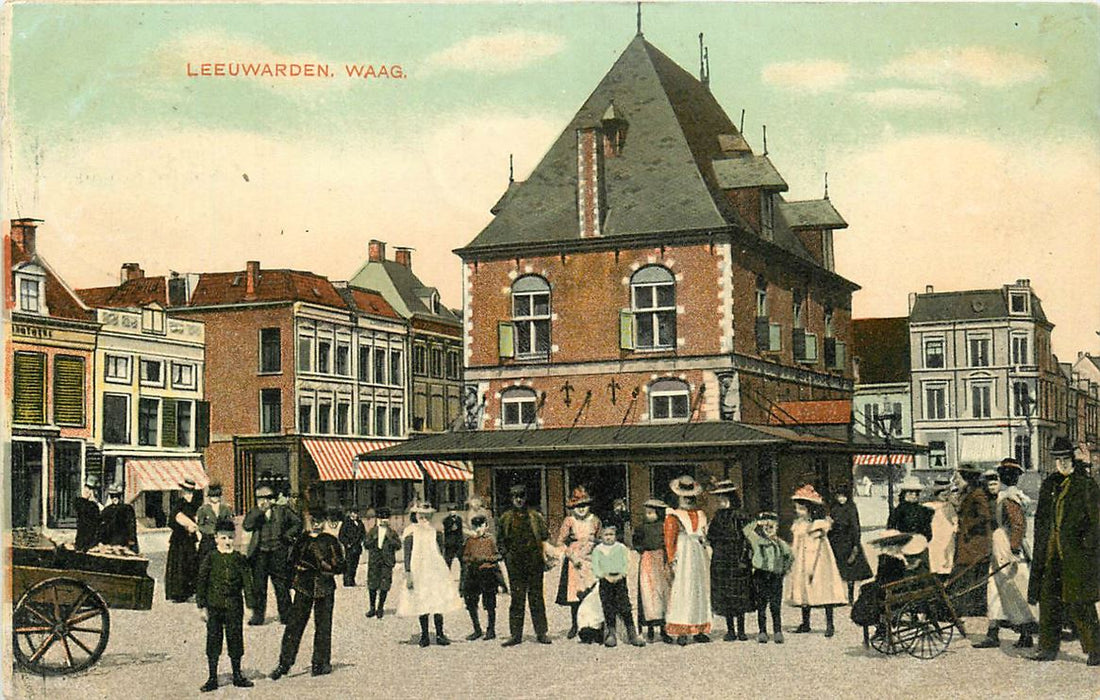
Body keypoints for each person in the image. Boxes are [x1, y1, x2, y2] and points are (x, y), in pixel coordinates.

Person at [1028, 437, 1100, 665]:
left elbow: (1097, 522)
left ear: (1072, 460)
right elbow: (1040, 519)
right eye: (1057, 459)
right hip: (1051, 554)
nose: (1061, 463)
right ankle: (1048, 649)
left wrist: (1086, 545)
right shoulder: (1049, 484)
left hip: (1076, 555)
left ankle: (1096, 649)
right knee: (1048, 601)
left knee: (1080, 603)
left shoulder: (1085, 485)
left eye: (1065, 459)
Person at [270, 508, 345, 680]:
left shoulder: (331, 540)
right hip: (303, 586)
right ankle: (284, 663)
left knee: (324, 626)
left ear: (324, 522)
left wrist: (328, 566)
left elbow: (341, 565)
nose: (316, 525)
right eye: (313, 521)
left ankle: (321, 663)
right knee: (294, 625)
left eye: (319, 521)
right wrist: (291, 581)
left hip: (324, 587)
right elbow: (291, 562)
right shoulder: (301, 540)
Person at [973, 458, 1037, 649]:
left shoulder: (1009, 498)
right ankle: (999, 632)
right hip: (1005, 544)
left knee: (1009, 589)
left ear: (1002, 478)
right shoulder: (1012, 496)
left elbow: (1018, 524)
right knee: (1002, 589)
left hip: (1006, 546)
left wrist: (1014, 549)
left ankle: (1012, 633)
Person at [196, 518, 256, 692]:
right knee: (213, 640)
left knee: (235, 638)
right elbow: (201, 581)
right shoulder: (211, 557)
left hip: (234, 606)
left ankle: (237, 674)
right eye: (223, 538)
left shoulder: (239, 558)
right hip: (214, 606)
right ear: (216, 538)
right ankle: (212, 677)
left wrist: (250, 605)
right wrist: (201, 606)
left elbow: (247, 582)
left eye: (230, 538)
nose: (227, 542)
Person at [397, 502, 463, 647]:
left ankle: (439, 634)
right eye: (421, 516)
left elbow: (442, 551)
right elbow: (407, 555)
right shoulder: (411, 533)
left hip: (435, 570)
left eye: (427, 516)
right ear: (416, 516)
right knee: (422, 601)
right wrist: (408, 572)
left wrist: (445, 570)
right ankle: (425, 635)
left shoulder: (436, 532)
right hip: (419, 570)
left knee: (437, 601)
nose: (424, 519)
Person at [787, 484, 846, 637]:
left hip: (819, 560)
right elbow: (795, 544)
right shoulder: (799, 525)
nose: (798, 511)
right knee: (804, 589)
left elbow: (818, 545)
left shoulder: (818, 525)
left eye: (801, 508)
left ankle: (829, 624)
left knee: (824, 589)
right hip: (802, 559)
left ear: (810, 509)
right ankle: (806, 623)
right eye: (797, 508)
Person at [496, 484, 552, 646]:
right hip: (515, 563)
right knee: (517, 599)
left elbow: (544, 536)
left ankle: (541, 633)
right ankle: (516, 635)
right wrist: (506, 556)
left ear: (526, 497)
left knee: (536, 597)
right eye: (515, 497)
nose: (519, 500)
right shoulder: (505, 518)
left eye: (521, 496)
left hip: (534, 561)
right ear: (511, 499)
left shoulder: (535, 516)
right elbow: (500, 540)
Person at [852, 530, 929, 646]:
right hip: (894, 590)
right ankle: (881, 626)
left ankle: (880, 626)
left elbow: (883, 577)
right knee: (871, 594)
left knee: (869, 594)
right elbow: (898, 576)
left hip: (890, 589)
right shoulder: (898, 558)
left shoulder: (886, 558)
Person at [243, 484, 302, 625]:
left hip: (278, 552)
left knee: (281, 586)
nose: (264, 501)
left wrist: (287, 535)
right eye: (260, 498)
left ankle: (286, 615)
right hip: (260, 554)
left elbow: (298, 523)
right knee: (259, 587)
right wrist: (258, 511)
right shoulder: (254, 512)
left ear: (273, 499)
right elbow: (247, 525)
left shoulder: (282, 511)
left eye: (267, 498)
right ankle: (258, 617)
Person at [664, 475, 712, 646]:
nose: (688, 500)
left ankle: (699, 628)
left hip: (699, 554)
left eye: (691, 497)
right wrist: (671, 559)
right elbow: (669, 540)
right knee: (683, 590)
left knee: (700, 589)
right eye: (685, 497)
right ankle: (682, 630)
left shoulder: (701, 514)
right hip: (683, 554)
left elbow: (705, 534)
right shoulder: (673, 515)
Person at [707, 480, 753, 642]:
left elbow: (749, 537)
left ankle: (741, 630)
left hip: (738, 556)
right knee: (725, 594)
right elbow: (711, 536)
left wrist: (746, 554)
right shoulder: (718, 516)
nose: (721, 500)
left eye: (724, 497)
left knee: (739, 593)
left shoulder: (741, 515)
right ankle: (730, 630)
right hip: (721, 558)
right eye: (719, 498)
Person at [556, 486, 601, 639]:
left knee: (591, 592)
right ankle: (575, 624)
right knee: (575, 594)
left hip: (590, 559)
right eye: (577, 506)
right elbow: (560, 542)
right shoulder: (569, 521)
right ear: (572, 508)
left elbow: (601, 540)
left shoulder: (595, 520)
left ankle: (593, 624)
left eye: (584, 505)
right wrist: (571, 556)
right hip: (574, 561)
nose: (581, 509)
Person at [591, 524, 645, 647]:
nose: (609, 538)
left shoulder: (621, 548)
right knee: (608, 606)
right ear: (600, 536)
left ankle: (632, 634)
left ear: (616, 536)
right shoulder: (598, 550)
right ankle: (611, 634)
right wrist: (605, 576)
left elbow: (626, 563)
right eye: (606, 535)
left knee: (625, 606)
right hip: (605, 580)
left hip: (620, 580)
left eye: (611, 535)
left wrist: (621, 574)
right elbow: (595, 566)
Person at [951, 464, 993, 619]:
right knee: (968, 574)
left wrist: (968, 527)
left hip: (975, 543)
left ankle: (970, 608)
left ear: (967, 478)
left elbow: (984, 517)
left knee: (969, 574)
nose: (956, 481)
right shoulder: (970, 493)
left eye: (959, 478)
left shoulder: (978, 494)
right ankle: (969, 607)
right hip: (969, 542)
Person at [744, 512, 793, 644]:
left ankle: (777, 631)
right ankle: (762, 631)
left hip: (776, 576)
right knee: (761, 605)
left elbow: (790, 556)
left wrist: (784, 569)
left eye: (772, 526)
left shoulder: (781, 544)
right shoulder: (757, 541)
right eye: (766, 527)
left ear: (777, 528)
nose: (769, 529)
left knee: (775, 605)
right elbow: (746, 530)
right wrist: (757, 522)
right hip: (761, 574)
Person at [633, 498, 672, 643]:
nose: (648, 516)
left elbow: (668, 542)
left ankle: (664, 629)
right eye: (647, 513)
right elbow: (636, 541)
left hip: (661, 559)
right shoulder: (641, 528)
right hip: (648, 560)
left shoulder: (664, 526)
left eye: (651, 513)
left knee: (663, 592)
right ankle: (649, 629)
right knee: (648, 593)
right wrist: (642, 550)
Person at [828, 483, 873, 603]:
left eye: (843, 496)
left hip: (848, 541)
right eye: (839, 496)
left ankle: (850, 596)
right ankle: (837, 596)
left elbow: (855, 526)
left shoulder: (851, 508)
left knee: (850, 572)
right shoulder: (834, 508)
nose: (841, 499)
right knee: (836, 570)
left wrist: (856, 543)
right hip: (836, 542)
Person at [461, 513, 501, 641]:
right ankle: (477, 629)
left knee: (490, 602)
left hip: (487, 572)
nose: (478, 529)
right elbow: (464, 556)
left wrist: (486, 559)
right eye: (475, 526)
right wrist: (470, 559)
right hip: (473, 573)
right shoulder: (469, 541)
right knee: (471, 601)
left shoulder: (490, 540)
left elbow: (498, 555)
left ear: (486, 526)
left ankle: (491, 629)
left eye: (481, 526)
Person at [166, 479, 203, 602]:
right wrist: (184, 526)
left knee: (191, 563)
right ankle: (178, 593)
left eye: (191, 491)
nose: (188, 494)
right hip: (179, 539)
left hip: (190, 539)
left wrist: (194, 526)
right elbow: (171, 521)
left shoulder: (196, 504)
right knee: (179, 564)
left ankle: (189, 591)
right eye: (186, 491)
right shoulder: (178, 504)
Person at [365, 507, 401, 618]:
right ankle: (372, 607)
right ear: (377, 519)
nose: (383, 520)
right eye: (381, 518)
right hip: (375, 561)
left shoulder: (392, 532)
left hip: (387, 562)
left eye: (385, 518)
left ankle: (380, 607)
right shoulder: (372, 531)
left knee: (385, 585)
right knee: (372, 584)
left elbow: (398, 545)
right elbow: (366, 544)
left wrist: (390, 539)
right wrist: (373, 539)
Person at [923, 478, 958, 581]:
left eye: (947, 492)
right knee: (935, 563)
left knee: (948, 563)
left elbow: (955, 521)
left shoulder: (950, 506)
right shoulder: (929, 507)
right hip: (935, 539)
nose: (946, 494)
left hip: (948, 539)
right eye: (943, 492)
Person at [196, 483, 232, 563]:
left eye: (217, 496)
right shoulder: (203, 509)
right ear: (209, 497)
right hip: (208, 540)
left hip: (222, 539)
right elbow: (200, 525)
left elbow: (229, 523)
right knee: (206, 561)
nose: (215, 498)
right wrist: (210, 531)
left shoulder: (225, 508)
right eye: (212, 496)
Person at [99, 482, 139, 553]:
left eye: (116, 496)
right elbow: (102, 527)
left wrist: (131, 540)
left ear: (120, 497)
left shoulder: (126, 509)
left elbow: (131, 525)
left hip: (123, 542)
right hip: (110, 542)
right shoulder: (107, 510)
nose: (114, 498)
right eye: (112, 496)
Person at [338, 509, 366, 587]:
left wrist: (361, 541)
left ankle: (352, 580)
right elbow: (341, 536)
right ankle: (347, 581)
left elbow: (363, 534)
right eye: (353, 513)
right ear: (350, 514)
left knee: (355, 564)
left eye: (356, 513)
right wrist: (347, 543)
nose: (355, 515)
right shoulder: (346, 523)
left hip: (357, 547)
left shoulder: (360, 523)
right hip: (349, 547)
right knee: (348, 564)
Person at [74, 473, 102, 552]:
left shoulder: (94, 505)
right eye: (86, 488)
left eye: (90, 489)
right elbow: (80, 508)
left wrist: (94, 501)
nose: (87, 491)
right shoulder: (79, 502)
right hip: (82, 535)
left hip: (92, 537)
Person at [441, 504, 465, 571]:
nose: (452, 512)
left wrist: (462, 540)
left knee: (461, 557)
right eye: (451, 510)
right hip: (450, 542)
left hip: (458, 541)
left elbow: (460, 531)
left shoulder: (459, 519)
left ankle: (462, 571)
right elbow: (445, 531)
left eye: (454, 510)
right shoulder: (446, 520)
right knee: (448, 558)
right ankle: (448, 571)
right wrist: (451, 529)